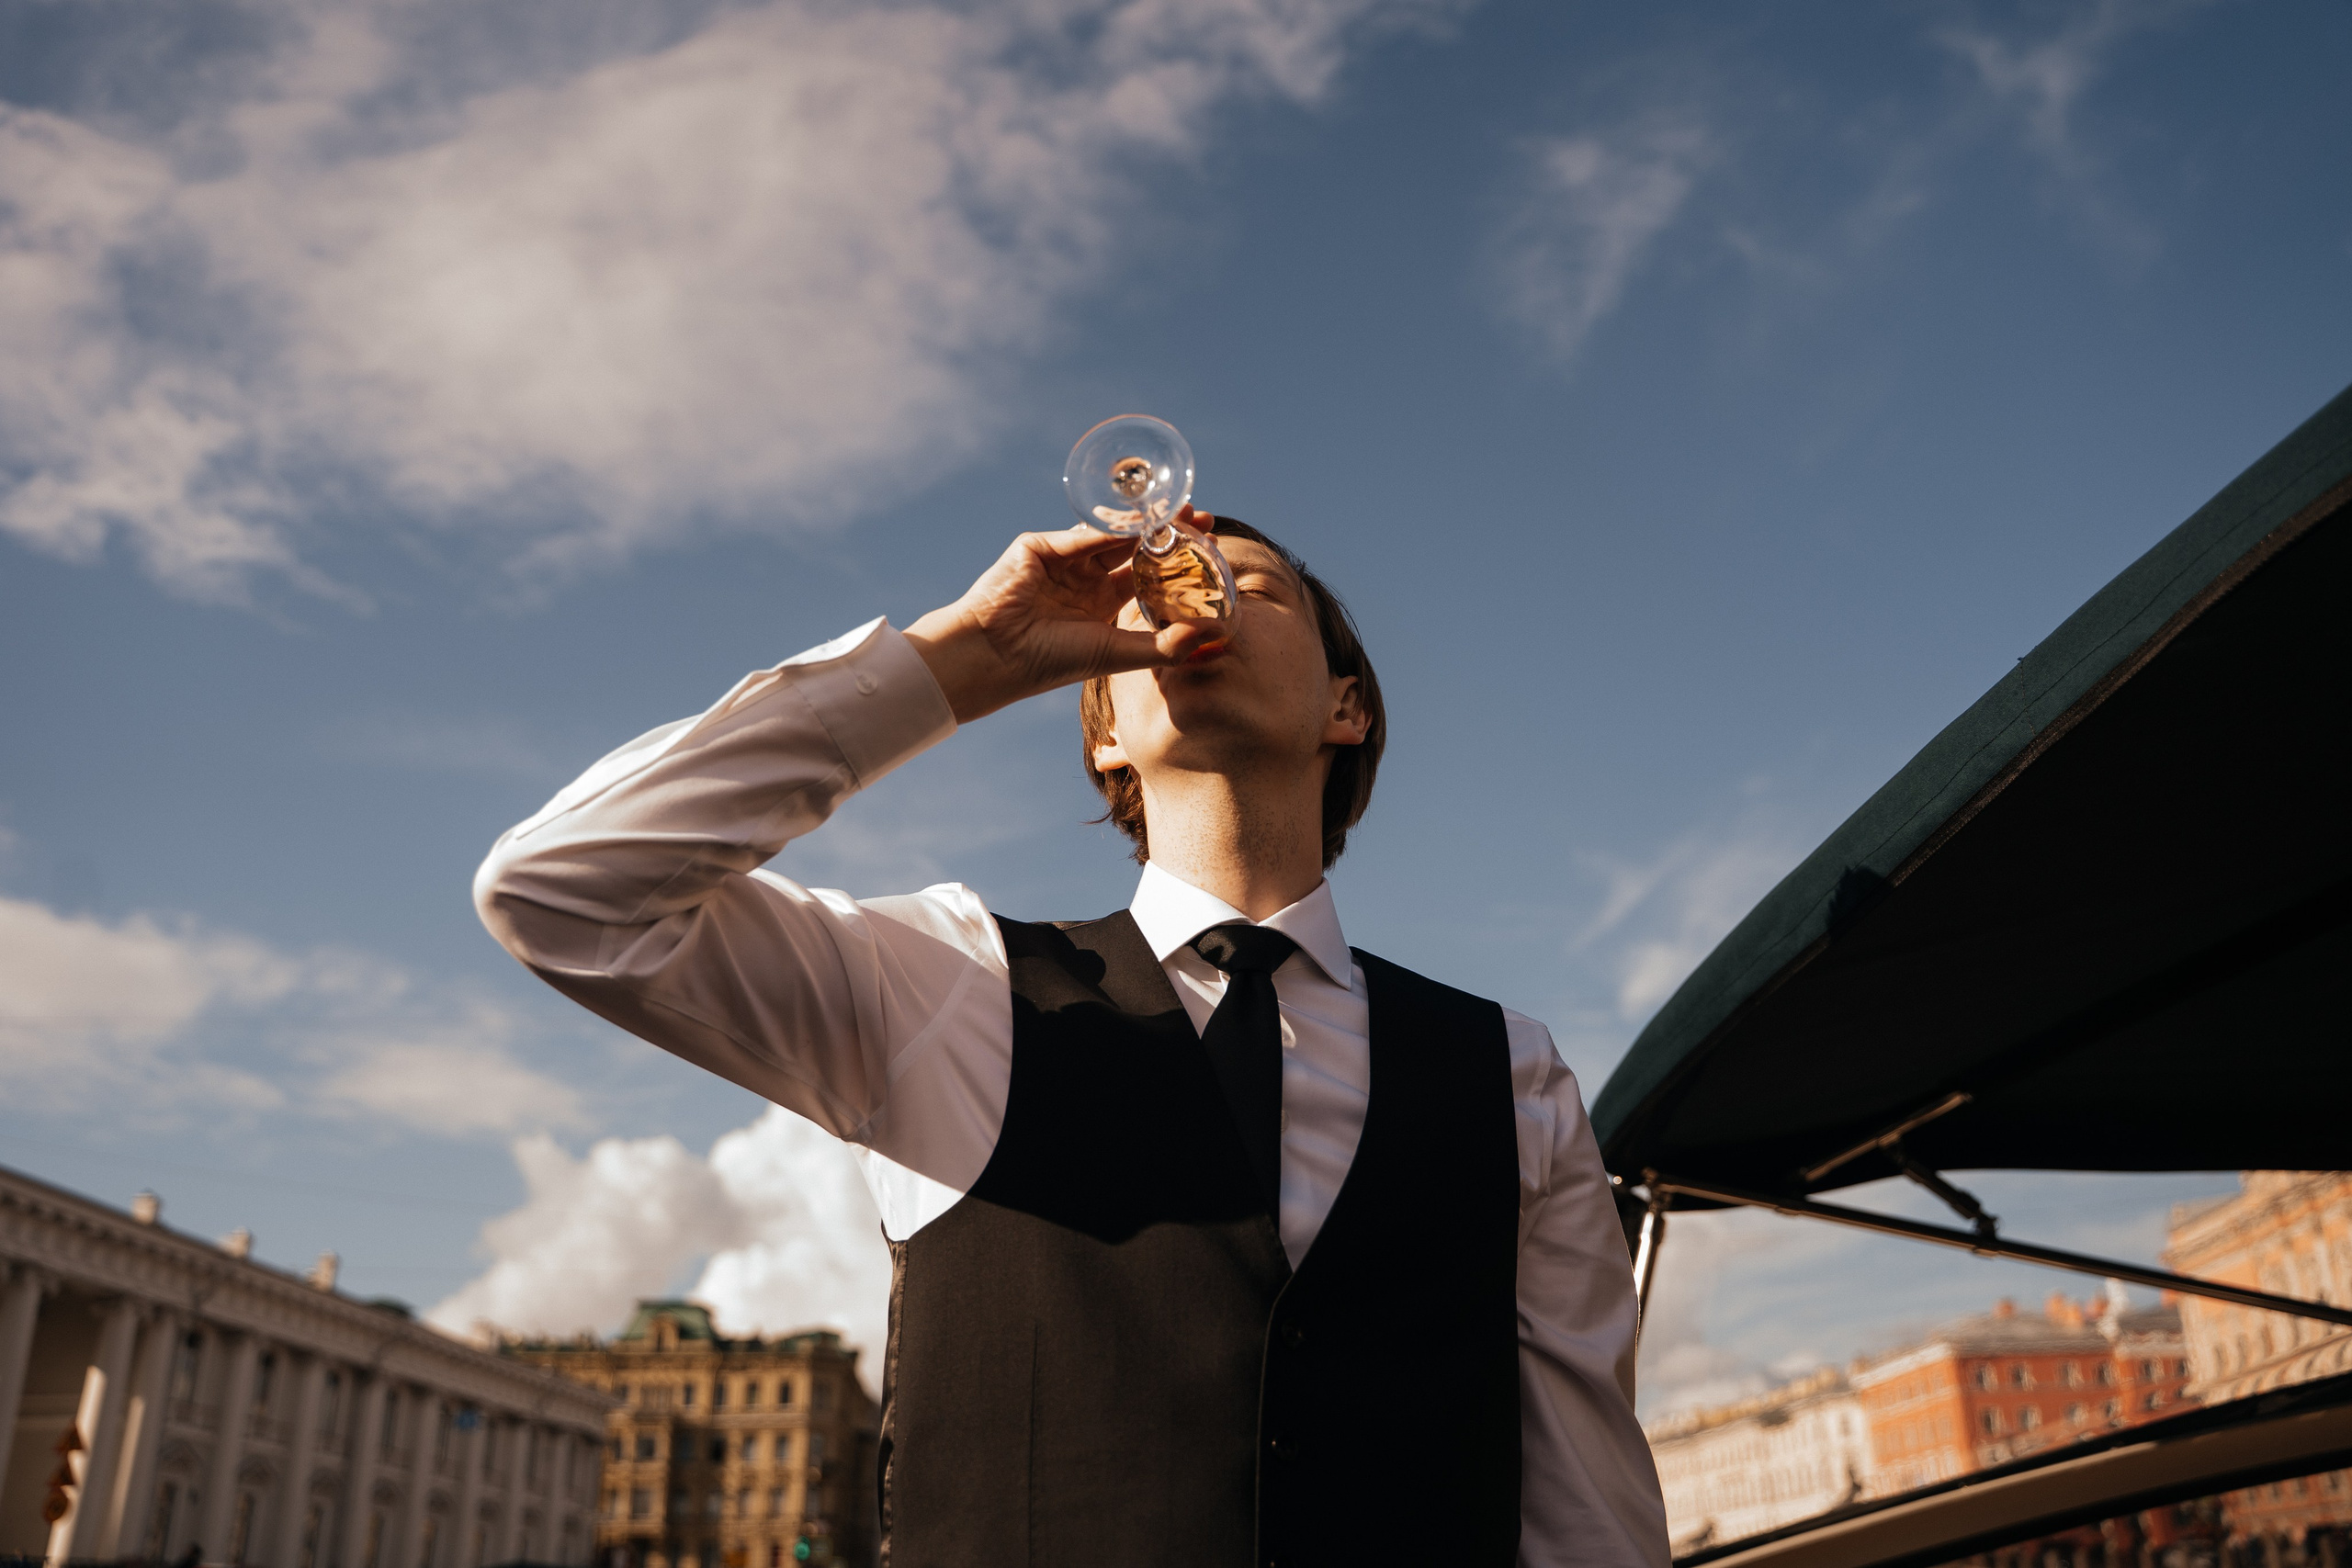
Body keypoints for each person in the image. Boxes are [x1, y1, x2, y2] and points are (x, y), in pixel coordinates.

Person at [475, 511, 1668, 1568]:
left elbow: (1586, 1514)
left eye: (1248, 586)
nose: (1193, 597)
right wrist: (961, 661)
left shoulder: (1512, 1071)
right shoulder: (946, 982)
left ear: (1345, 707)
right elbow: (560, 892)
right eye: (1155, 594)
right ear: (1103, 731)